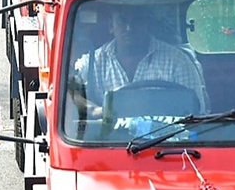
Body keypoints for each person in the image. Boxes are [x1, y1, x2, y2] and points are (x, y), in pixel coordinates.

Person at [72, 6, 208, 117]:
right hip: (107, 145)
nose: (129, 28)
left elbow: (197, 114)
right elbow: (69, 90)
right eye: (122, 20)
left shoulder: (178, 62)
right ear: (110, 26)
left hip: (167, 145)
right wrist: (96, 111)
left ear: (147, 24)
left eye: (137, 20)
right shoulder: (93, 62)